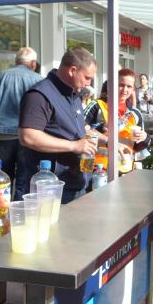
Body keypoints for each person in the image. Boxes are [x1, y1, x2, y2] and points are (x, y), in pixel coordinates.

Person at [16, 47, 98, 202]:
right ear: (72, 70)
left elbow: (74, 129)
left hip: (76, 184)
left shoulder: (74, 94)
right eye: (87, 78)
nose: (89, 83)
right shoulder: (39, 95)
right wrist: (73, 146)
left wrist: (103, 139)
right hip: (51, 190)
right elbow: (28, 137)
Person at [0, 46, 42, 192]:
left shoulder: (1, 77)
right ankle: (19, 206)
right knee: (24, 180)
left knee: (3, 177)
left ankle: (1, 205)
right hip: (28, 135)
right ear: (33, 64)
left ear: (16, 61)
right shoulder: (38, 80)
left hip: (3, 134)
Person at [84, 70, 150, 157]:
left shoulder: (135, 113)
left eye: (129, 86)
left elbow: (137, 148)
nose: (125, 90)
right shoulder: (96, 105)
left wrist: (145, 138)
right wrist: (101, 129)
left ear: (133, 89)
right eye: (121, 85)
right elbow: (79, 130)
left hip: (126, 164)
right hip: (100, 164)